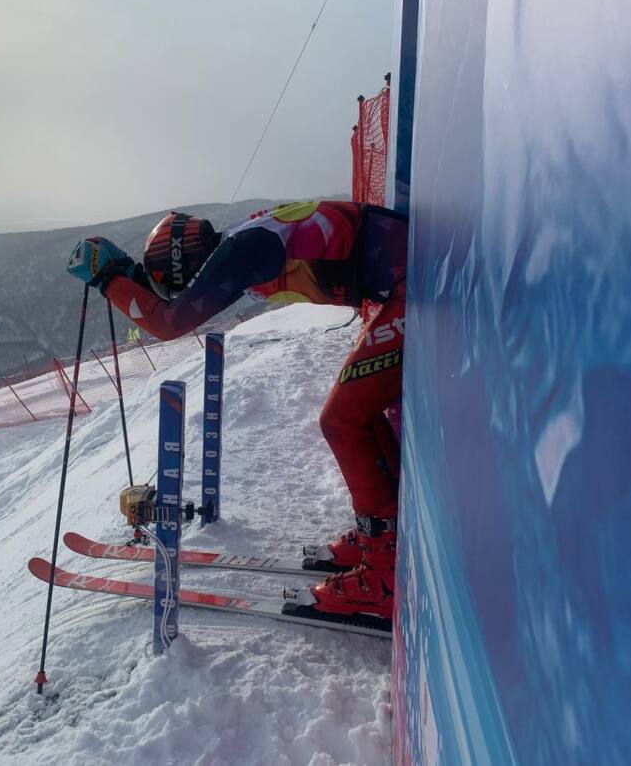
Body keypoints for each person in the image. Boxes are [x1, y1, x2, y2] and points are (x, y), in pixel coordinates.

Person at [66, 201, 407, 619]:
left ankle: (386, 573)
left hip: (417, 285)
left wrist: (108, 279)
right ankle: (385, 533)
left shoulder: (244, 249)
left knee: (342, 420)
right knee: (356, 411)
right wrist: (129, 275)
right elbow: (181, 297)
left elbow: (170, 321)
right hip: (411, 277)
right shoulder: (241, 241)